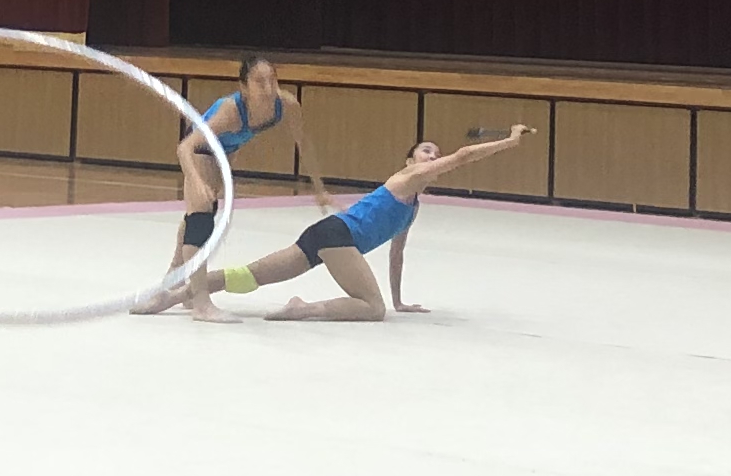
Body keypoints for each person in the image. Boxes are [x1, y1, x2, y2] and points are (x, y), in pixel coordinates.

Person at [192, 125, 531, 319]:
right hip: (338, 236)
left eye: (436, 154)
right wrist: (511, 141)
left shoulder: (412, 207)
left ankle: (177, 293)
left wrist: (400, 301)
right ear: (409, 161)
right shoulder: (406, 178)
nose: (434, 156)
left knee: (250, 276)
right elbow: (463, 155)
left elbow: (396, 254)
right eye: (427, 150)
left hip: (328, 234)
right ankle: (303, 308)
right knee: (372, 308)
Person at [140, 53, 306, 318]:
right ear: (244, 87)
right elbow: (185, 147)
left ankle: (171, 284)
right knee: (201, 220)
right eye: (259, 82)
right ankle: (201, 303)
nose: (268, 88)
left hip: (225, 150)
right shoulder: (230, 111)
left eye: (272, 80)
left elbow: (303, 142)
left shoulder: (285, 105)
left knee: (199, 213)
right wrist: (197, 181)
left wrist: (319, 186)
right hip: (201, 149)